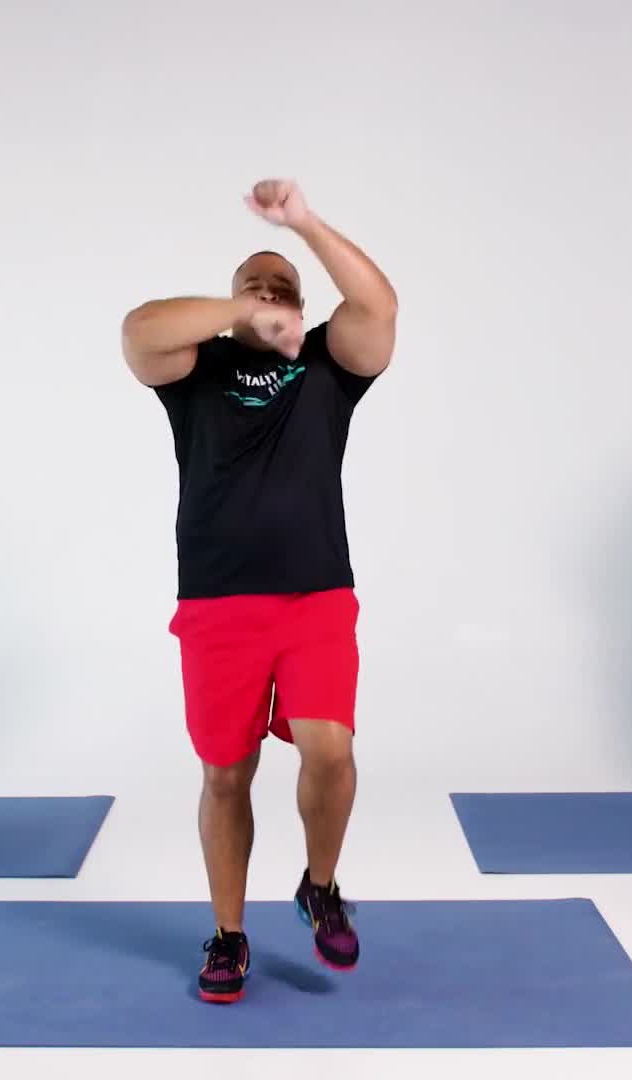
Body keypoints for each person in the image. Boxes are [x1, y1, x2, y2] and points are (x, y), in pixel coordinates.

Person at [121, 179, 397, 1002]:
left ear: (304, 305)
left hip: (316, 596)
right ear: (233, 299)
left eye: (284, 288)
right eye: (255, 284)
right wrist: (243, 312)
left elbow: (379, 307)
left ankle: (320, 885)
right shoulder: (196, 367)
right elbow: (138, 332)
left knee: (331, 750)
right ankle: (228, 934)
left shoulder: (328, 364)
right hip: (217, 602)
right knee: (224, 777)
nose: (270, 295)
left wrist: (303, 223)